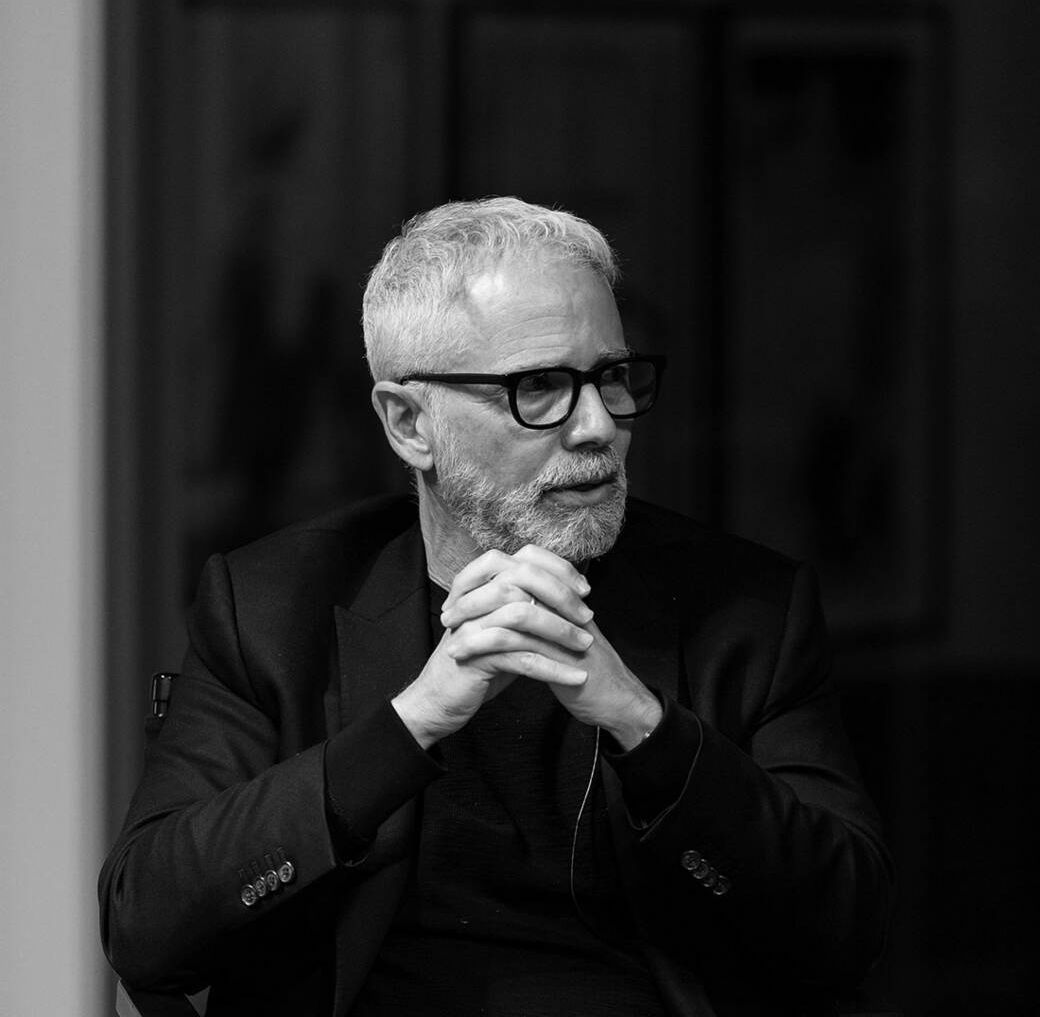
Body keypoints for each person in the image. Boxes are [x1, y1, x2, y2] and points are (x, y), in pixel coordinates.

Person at [99, 197, 893, 1016]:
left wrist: (641, 725)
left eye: (612, 377)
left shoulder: (749, 611)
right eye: (539, 387)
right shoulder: (273, 605)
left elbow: (842, 932)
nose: (597, 427)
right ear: (409, 423)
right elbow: (147, 931)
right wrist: (413, 722)